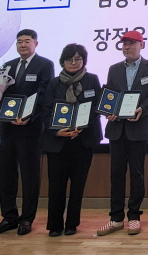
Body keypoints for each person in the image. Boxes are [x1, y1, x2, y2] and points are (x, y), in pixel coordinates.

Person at [0, 29, 54, 237]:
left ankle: (27, 218)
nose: (23, 45)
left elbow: (44, 95)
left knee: (29, 175)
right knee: (6, 174)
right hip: (7, 128)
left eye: (27, 41)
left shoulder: (45, 65)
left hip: (30, 128)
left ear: (36, 43)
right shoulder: (7, 66)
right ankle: (8, 217)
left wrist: (28, 116)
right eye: (19, 42)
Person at [97, 30, 148, 236]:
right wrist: (108, 111)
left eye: (132, 43)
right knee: (116, 174)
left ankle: (134, 216)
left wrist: (143, 109)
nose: (127, 47)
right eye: (124, 44)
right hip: (117, 129)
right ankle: (116, 218)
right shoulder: (114, 69)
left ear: (142, 45)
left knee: (137, 173)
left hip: (139, 128)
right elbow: (110, 96)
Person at [41, 44, 102, 237]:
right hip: (58, 142)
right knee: (56, 185)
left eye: (78, 59)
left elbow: (97, 107)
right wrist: (57, 131)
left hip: (83, 141)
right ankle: (55, 225)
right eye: (69, 59)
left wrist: (81, 127)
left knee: (78, 185)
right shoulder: (54, 83)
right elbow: (46, 111)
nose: (74, 63)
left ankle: (72, 224)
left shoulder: (92, 80)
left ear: (84, 61)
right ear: (63, 62)